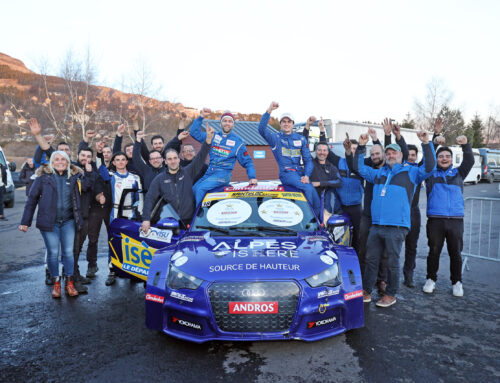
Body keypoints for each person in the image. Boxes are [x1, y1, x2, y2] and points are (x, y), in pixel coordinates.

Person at [354, 130, 436, 308]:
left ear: (401, 155)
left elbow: (430, 167)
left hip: (397, 226)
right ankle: (366, 291)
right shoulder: (378, 174)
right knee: (371, 259)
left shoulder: (411, 172)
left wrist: (426, 143)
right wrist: (361, 147)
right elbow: (359, 168)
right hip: (377, 225)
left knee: (392, 262)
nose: (391, 155)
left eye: (394, 153)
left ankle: (390, 294)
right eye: (388, 153)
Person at [19, 151, 85, 298]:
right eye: (57, 159)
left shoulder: (75, 178)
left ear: (68, 162)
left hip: (69, 221)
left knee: (68, 253)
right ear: (52, 163)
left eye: (64, 159)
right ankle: (56, 283)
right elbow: (31, 200)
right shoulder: (43, 179)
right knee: (53, 253)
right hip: (49, 223)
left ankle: (69, 283)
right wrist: (25, 222)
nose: (60, 162)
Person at [422, 135, 474, 297]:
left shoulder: (459, 173)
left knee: (455, 252)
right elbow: (426, 159)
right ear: (437, 159)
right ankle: (431, 279)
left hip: (456, 220)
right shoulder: (430, 173)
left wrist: (466, 145)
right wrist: (435, 143)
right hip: (435, 220)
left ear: (452, 159)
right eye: (441, 156)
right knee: (434, 251)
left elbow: (469, 161)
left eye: (447, 156)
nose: (444, 159)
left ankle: (456, 282)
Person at [141, 125, 214, 233]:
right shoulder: (159, 179)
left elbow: (201, 157)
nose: (173, 161)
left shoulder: (188, 172)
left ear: (179, 160)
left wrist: (208, 140)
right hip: (169, 223)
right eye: (169, 159)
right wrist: (146, 219)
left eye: (175, 158)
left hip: (190, 220)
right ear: (165, 161)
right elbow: (149, 199)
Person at [259, 102, 320, 216]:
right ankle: (308, 220)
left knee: (316, 197)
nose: (286, 124)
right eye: (284, 122)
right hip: (286, 173)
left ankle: (319, 222)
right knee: (308, 189)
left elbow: (307, 161)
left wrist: (306, 175)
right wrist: (269, 110)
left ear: (293, 124)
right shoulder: (275, 138)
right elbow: (261, 129)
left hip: (299, 173)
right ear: (280, 124)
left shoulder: (300, 139)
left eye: (289, 122)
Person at [191, 108, 257, 205]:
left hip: (223, 174)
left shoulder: (238, 142)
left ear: (233, 124)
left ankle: (198, 218)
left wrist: (252, 177)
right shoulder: (212, 136)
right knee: (194, 189)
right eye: (225, 121)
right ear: (220, 123)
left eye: (230, 121)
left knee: (201, 189)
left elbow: (247, 162)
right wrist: (201, 117)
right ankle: (197, 214)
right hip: (210, 171)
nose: (227, 123)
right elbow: (194, 133)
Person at [97, 151, 142, 286]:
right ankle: (112, 270)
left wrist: (140, 215)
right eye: (118, 160)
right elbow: (100, 167)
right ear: (114, 162)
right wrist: (99, 153)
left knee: (132, 242)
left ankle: (132, 271)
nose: (121, 162)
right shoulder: (110, 177)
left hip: (132, 214)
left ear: (127, 161)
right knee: (114, 242)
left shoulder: (135, 177)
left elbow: (140, 198)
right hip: (115, 213)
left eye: (123, 159)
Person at [402, 144, 421, 288]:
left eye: (413, 155)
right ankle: (386, 278)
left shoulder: (419, 170)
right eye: (408, 154)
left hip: (413, 212)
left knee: (411, 246)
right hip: (399, 211)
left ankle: (409, 276)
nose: (410, 157)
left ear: (416, 157)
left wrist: (434, 138)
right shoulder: (398, 169)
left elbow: (429, 159)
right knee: (391, 246)